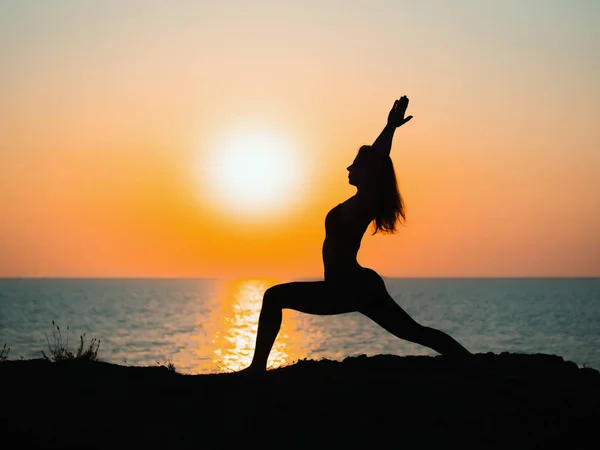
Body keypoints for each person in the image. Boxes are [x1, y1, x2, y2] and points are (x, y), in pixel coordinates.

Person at [240, 96, 471, 373]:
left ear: (368, 173)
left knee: (275, 297)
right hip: (347, 286)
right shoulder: (357, 202)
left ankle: (256, 369)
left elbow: (377, 159)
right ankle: (470, 361)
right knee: (414, 331)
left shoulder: (365, 203)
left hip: (351, 287)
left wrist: (390, 128)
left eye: (354, 165)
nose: (348, 168)